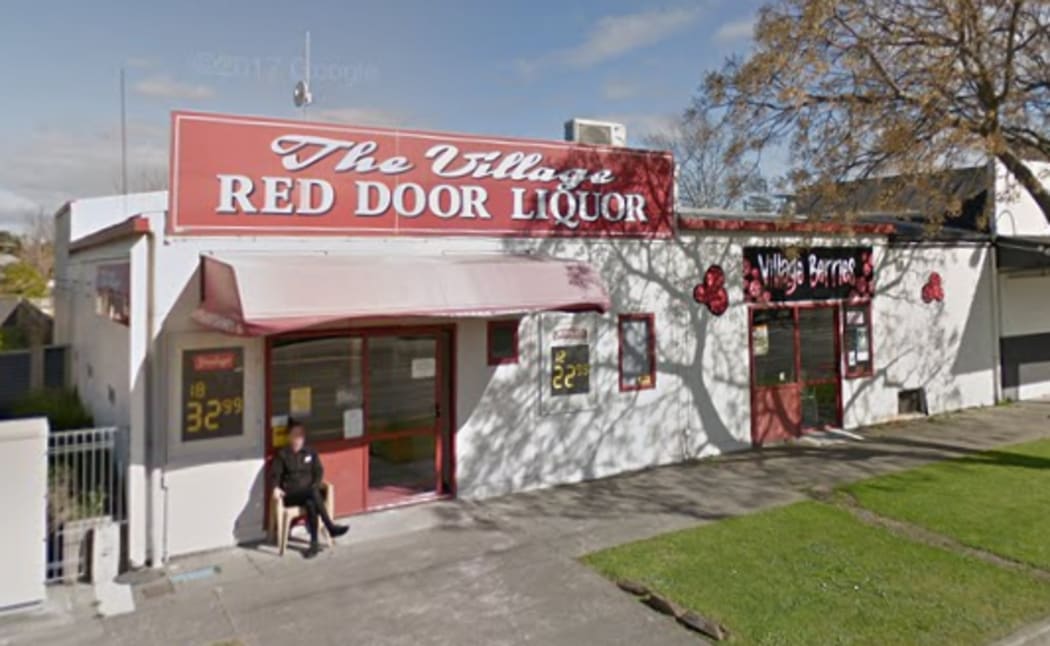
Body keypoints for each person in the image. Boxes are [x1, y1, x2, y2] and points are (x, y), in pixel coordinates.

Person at [271, 420, 349, 558]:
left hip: (308, 493)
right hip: (291, 495)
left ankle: (313, 544)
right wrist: (275, 488)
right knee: (313, 493)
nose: (299, 438)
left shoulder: (310, 452)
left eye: (301, 435)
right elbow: (275, 475)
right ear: (289, 437)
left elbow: (319, 470)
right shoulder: (283, 454)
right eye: (296, 435)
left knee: (311, 503)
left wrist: (316, 483)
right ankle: (330, 526)